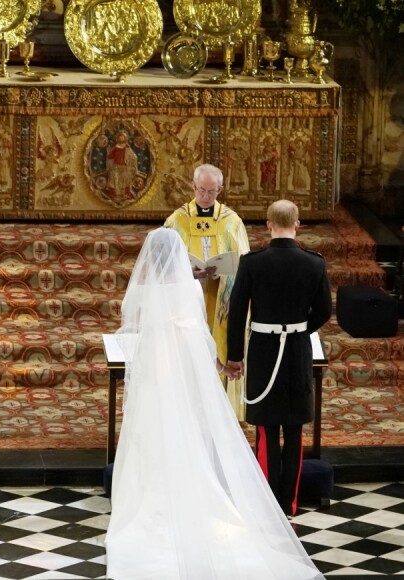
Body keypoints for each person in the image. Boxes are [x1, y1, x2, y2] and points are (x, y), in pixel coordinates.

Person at [105, 228, 324, 579]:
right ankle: (194, 498)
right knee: (187, 431)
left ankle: (148, 503)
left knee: (150, 432)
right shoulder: (190, 288)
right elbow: (201, 335)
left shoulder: (141, 292)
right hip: (182, 368)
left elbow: (134, 323)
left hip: (153, 370)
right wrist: (218, 363)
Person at [227, 200, 332, 517]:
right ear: (297, 223)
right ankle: (290, 504)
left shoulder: (252, 263)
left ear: (268, 224)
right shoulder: (314, 263)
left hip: (262, 349)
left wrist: (235, 357)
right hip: (298, 350)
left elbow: (236, 314)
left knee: (267, 429)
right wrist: (300, 331)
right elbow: (325, 311)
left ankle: (268, 505)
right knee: (296, 428)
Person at [165, 163, 250, 420]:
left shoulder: (231, 222)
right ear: (193, 187)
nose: (204, 197)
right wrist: (185, 273)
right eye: (201, 190)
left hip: (219, 297)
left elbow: (243, 262)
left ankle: (220, 414)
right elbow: (164, 265)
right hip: (186, 298)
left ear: (220, 190)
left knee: (218, 343)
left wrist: (224, 273)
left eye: (211, 192)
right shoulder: (176, 220)